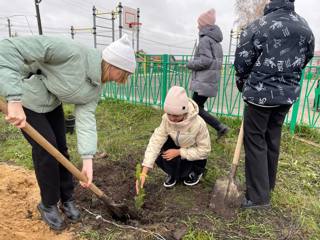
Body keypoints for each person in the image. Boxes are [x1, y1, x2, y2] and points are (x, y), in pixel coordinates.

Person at [0, 34, 136, 230]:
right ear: (114, 66)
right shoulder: (70, 52)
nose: (124, 79)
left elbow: (86, 118)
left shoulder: (95, 87)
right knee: (46, 151)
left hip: (51, 102)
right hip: (26, 99)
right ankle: (48, 204)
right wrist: (13, 99)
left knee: (61, 150)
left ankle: (67, 198)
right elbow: (8, 48)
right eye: (125, 74)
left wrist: (88, 159)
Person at [234, 0, 314, 209]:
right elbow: (307, 56)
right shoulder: (305, 26)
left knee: (255, 140)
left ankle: (258, 197)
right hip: (286, 96)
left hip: (260, 96)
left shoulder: (260, 25)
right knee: (272, 136)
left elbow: (242, 60)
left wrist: (243, 83)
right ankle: (267, 184)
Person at [136, 86, 211, 193]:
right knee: (161, 141)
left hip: (193, 152)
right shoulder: (166, 120)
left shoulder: (198, 124)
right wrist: (144, 172)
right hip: (178, 146)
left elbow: (204, 150)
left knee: (196, 160)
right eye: (169, 114)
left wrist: (179, 152)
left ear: (185, 112)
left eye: (176, 115)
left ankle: (195, 172)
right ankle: (173, 173)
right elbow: (155, 142)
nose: (172, 118)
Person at [187, 8, 229, 139]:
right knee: (196, 107)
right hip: (209, 81)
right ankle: (195, 131)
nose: (197, 26)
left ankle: (219, 127)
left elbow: (205, 61)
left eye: (199, 23)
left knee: (194, 108)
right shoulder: (216, 42)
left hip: (203, 82)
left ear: (204, 25)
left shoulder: (205, 40)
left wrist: (190, 64)